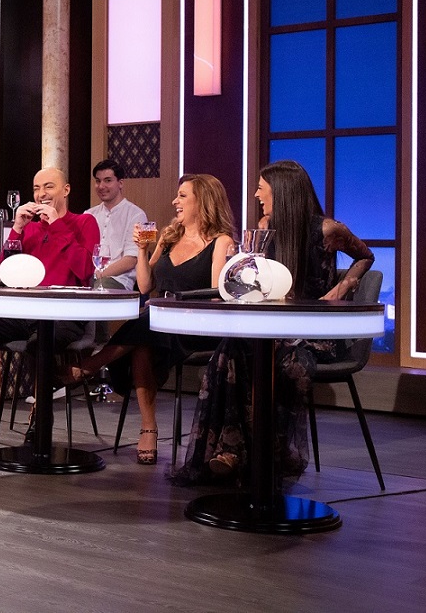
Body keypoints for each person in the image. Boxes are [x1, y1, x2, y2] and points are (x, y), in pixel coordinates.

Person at [172, 160, 374, 484]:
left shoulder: (328, 230)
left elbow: (366, 255)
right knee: (231, 348)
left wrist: (344, 285)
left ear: (281, 191)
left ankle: (258, 453)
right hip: (276, 327)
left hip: (314, 332)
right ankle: (235, 450)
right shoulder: (265, 227)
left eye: (260, 189)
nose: (255, 195)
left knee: (279, 358)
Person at [70, 174, 236, 465]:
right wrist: (143, 250)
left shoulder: (220, 242)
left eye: (182, 196)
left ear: (203, 201)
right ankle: (148, 428)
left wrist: (177, 308)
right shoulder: (170, 238)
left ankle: (92, 364)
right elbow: (146, 286)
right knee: (144, 339)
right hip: (160, 324)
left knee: (147, 323)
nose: (175, 201)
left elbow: (214, 296)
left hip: (199, 325)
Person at [0, 167, 100, 450]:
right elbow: (4, 271)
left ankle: (40, 419)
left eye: (49, 187)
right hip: (23, 312)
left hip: (65, 314)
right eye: (36, 188)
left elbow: (85, 269)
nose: (41, 194)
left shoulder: (84, 222)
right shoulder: (30, 228)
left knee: (40, 341)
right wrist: (18, 228)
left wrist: (57, 225)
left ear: (66, 190)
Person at [85, 159, 148, 291]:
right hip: (88, 278)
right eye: (98, 181)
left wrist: (98, 274)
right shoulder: (89, 214)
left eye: (108, 180)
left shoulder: (137, 215)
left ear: (120, 183)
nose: (101, 186)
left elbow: (131, 260)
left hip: (118, 280)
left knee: (101, 288)